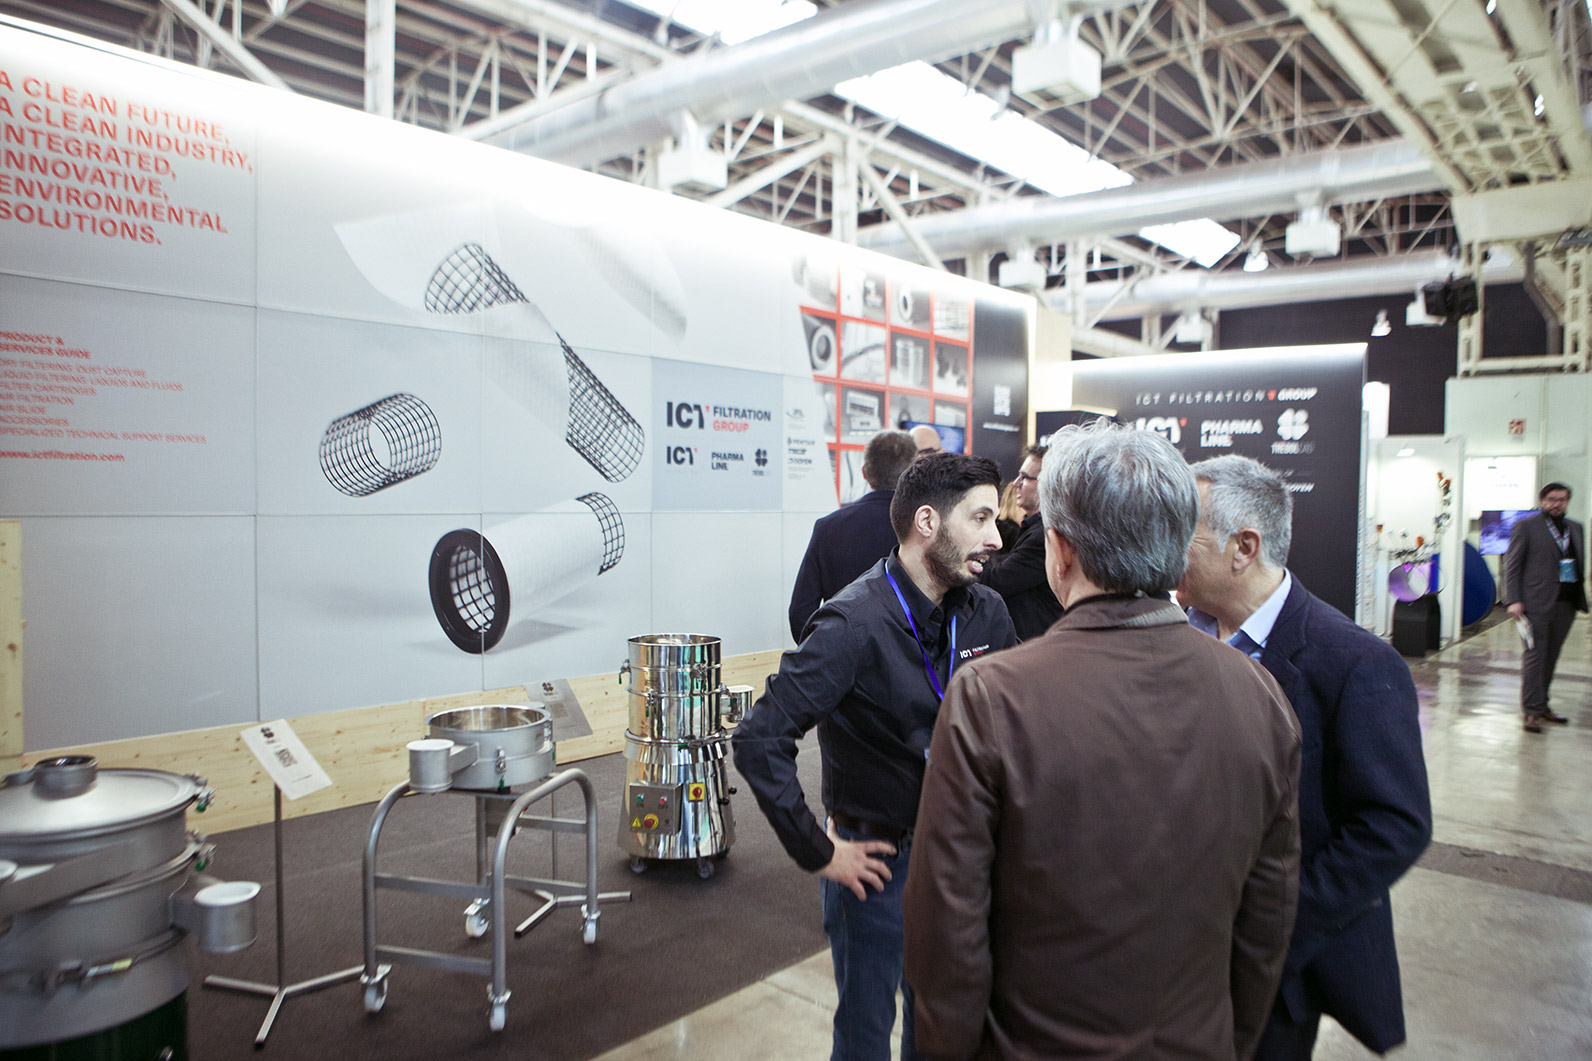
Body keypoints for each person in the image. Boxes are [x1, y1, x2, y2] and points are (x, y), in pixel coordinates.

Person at [903, 423, 1301, 1061]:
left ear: (1059, 551)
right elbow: (1266, 925)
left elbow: (947, 933)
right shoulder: (1260, 695)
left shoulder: (991, 698)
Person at [734, 452, 1016, 1061]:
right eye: (981, 518)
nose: (996, 538)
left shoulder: (987, 612)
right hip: (879, 864)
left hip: (962, 857)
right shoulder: (852, 623)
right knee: (866, 1031)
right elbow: (760, 739)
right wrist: (818, 851)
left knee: (937, 1025)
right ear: (927, 522)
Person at [1179, 455, 1432, 1059]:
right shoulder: (1177, 638)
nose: (1163, 545)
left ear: (1244, 547)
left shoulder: (1353, 663)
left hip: (1275, 969)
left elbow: (1394, 825)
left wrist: (1273, 924)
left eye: (1182, 530)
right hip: (1178, 951)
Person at [788, 429, 918, 641]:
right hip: (914, 657)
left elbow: (800, 614)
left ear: (864, 472)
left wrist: (824, 652)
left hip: (843, 653)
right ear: (914, 472)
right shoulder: (925, 528)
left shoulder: (827, 528)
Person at [1504, 481, 1588, 732]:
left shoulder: (1576, 527)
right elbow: (1512, 565)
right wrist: (1513, 599)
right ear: (1542, 501)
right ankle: (1531, 712)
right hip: (1535, 604)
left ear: (1568, 502)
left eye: (1562, 500)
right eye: (1552, 499)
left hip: (1566, 604)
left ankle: (1542, 706)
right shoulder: (1527, 526)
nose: (1556, 504)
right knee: (1535, 657)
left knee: (1551, 658)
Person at [977, 445, 1063, 639]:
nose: (1016, 483)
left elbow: (994, 581)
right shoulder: (1034, 529)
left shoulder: (1044, 537)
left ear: (1046, 484)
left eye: (1024, 478)